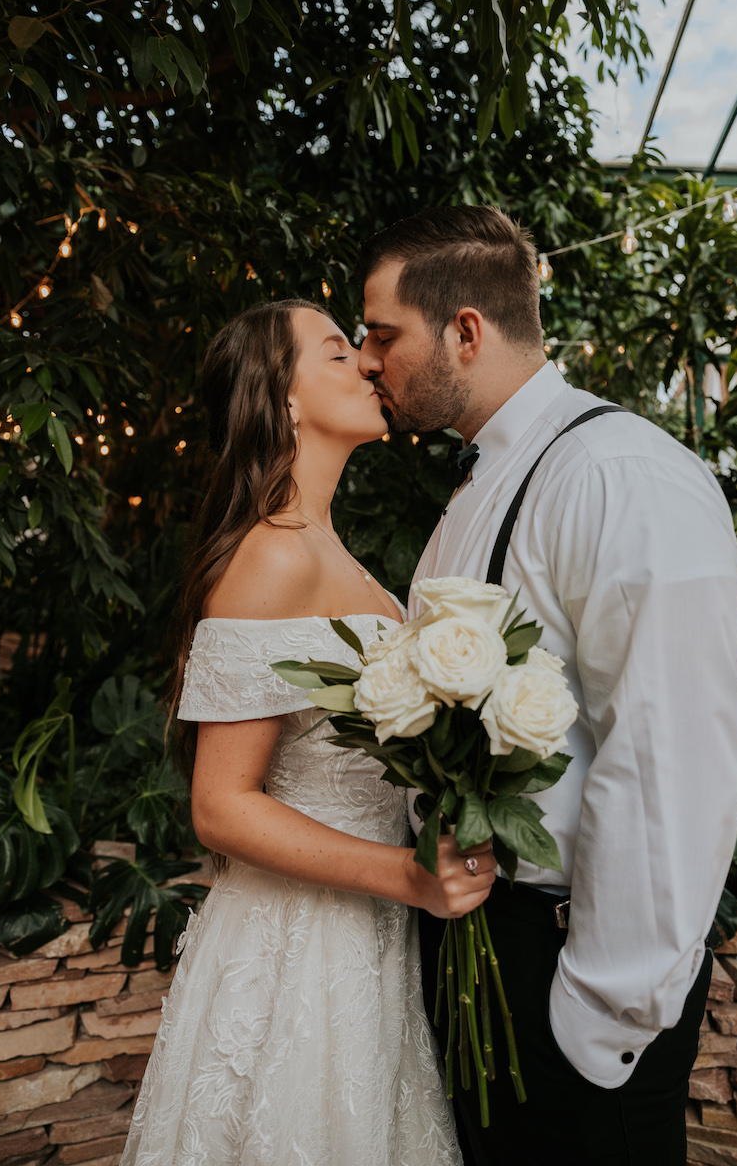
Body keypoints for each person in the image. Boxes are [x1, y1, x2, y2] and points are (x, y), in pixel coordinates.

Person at [357, 207, 737, 1166]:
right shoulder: (489, 477)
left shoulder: (619, 476)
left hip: (566, 981)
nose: (367, 360)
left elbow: (668, 759)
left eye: (380, 334)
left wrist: (598, 1014)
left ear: (465, 330)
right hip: (486, 952)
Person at [121, 299, 495, 1166]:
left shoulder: (335, 550)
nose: (368, 363)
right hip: (298, 951)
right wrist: (407, 877)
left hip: (368, 939)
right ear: (281, 398)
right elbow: (220, 809)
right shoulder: (274, 554)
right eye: (336, 350)